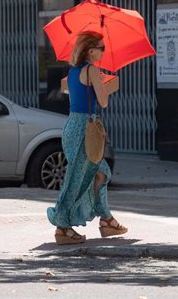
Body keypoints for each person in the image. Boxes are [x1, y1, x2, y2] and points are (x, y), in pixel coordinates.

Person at [47, 30, 128, 245]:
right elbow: (103, 102)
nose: (104, 51)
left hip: (73, 126)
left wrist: (96, 83)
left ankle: (107, 220)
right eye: (101, 48)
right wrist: (101, 83)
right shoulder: (92, 70)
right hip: (85, 129)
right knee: (77, 179)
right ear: (91, 51)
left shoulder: (73, 71)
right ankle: (62, 226)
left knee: (100, 173)